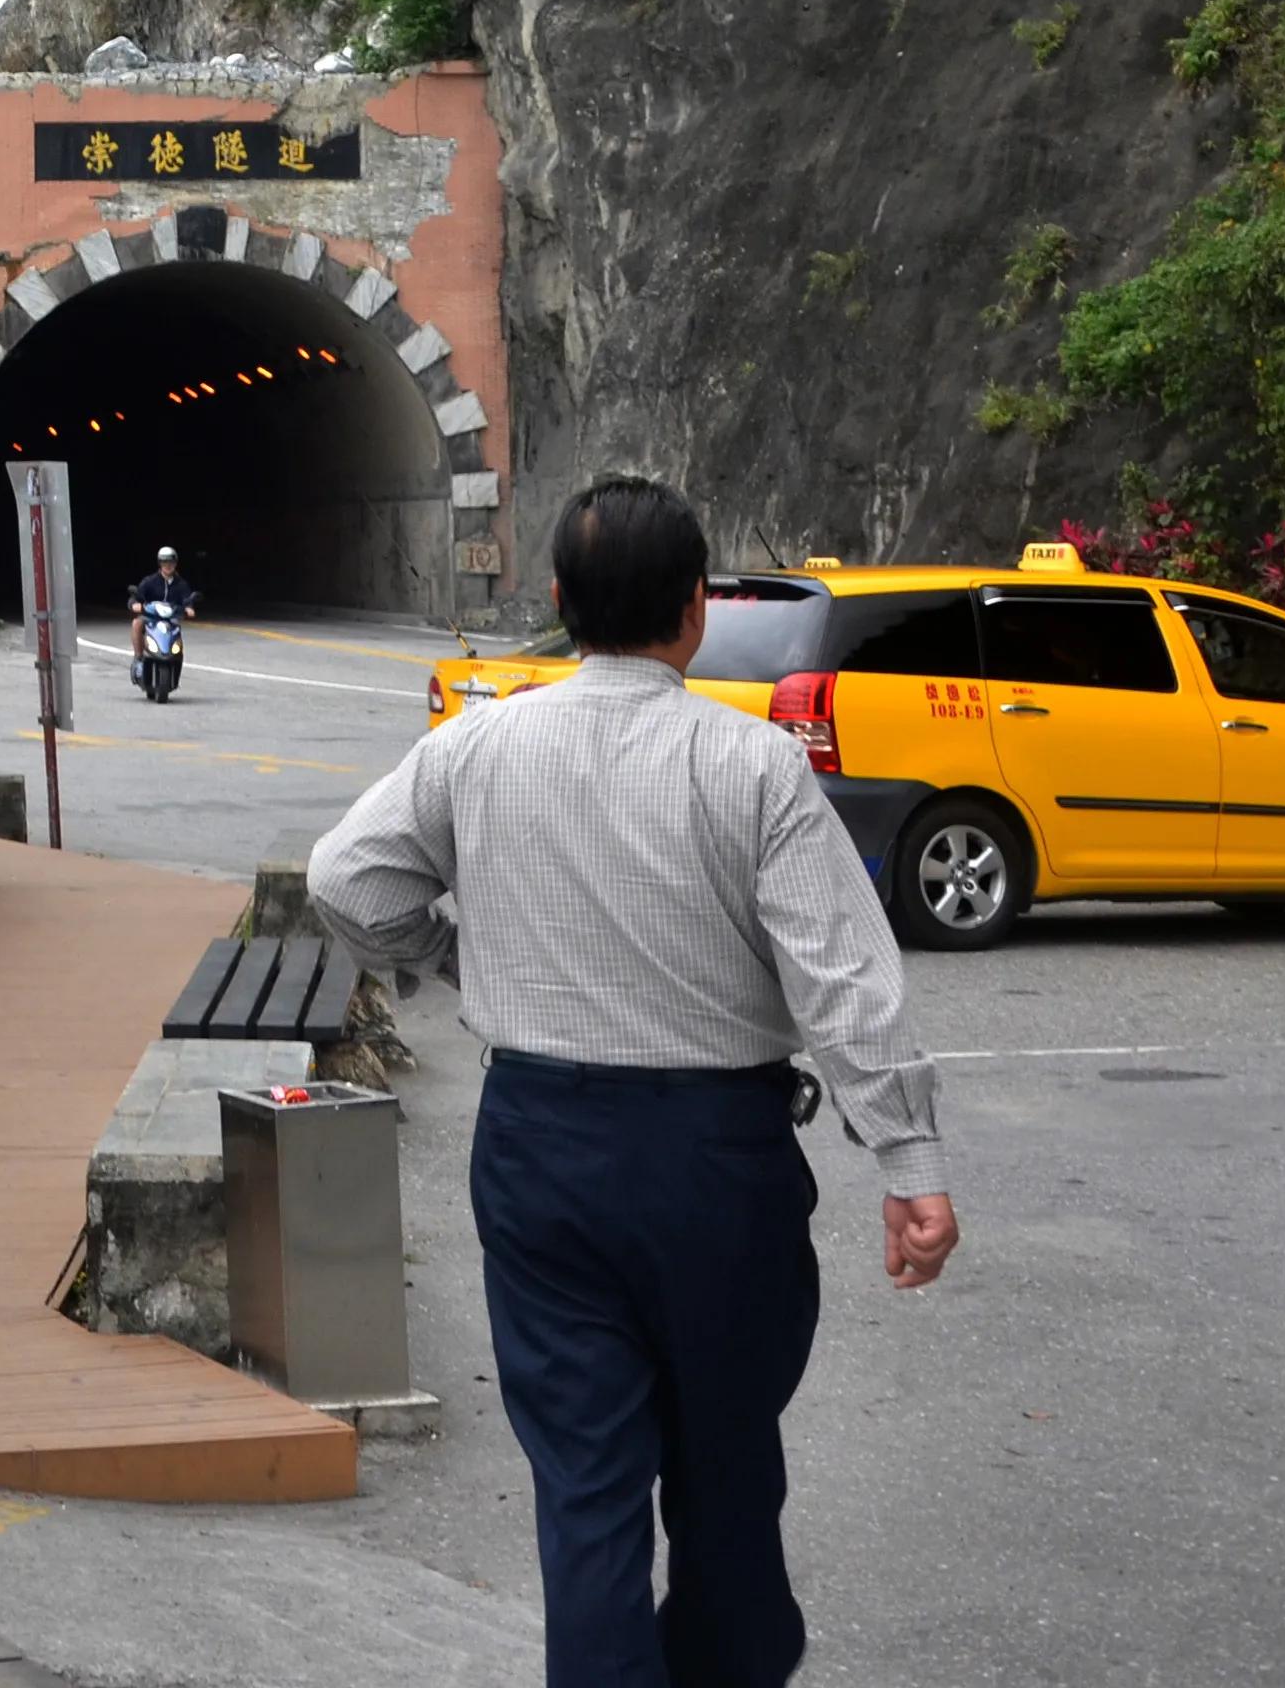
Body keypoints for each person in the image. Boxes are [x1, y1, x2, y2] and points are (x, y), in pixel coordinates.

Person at [309, 474, 955, 1688]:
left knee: (586, 1486)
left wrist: (460, 952)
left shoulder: (476, 746)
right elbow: (841, 984)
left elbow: (346, 880)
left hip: (540, 1148)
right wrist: (906, 1163)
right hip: (718, 1160)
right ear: (695, 610)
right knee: (724, 1465)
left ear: (556, 602)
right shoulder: (753, 767)